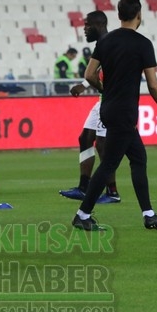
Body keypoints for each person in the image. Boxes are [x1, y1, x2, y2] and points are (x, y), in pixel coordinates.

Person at [71, 0, 157, 231]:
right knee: (109, 164)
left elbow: (89, 74)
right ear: (139, 15)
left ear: (119, 15)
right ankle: (82, 214)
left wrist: (104, 90)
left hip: (108, 107)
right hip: (126, 110)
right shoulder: (142, 44)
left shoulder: (106, 41)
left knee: (138, 158)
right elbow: (152, 83)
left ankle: (149, 214)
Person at [59, 10, 120, 205]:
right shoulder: (101, 45)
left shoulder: (110, 43)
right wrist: (85, 86)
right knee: (85, 138)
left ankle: (112, 192)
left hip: (110, 101)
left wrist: (103, 91)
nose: (84, 29)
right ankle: (83, 187)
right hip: (103, 99)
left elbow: (108, 72)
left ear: (98, 25)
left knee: (102, 146)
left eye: (87, 25)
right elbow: (97, 72)